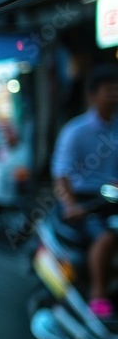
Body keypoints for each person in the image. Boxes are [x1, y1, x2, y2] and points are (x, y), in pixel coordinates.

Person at [51, 63, 118, 318]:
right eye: (110, 90)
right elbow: (62, 174)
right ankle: (98, 297)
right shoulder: (75, 131)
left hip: (112, 198)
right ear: (92, 95)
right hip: (86, 202)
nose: (115, 95)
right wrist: (70, 205)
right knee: (106, 237)